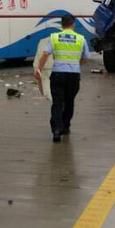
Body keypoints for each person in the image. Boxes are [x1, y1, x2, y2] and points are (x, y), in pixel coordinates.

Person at [36, 14, 89, 142]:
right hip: (73, 75)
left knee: (57, 102)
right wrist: (76, 64)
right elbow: (86, 58)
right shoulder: (81, 39)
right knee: (69, 101)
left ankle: (56, 130)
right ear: (73, 24)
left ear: (61, 24)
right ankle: (65, 127)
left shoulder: (54, 37)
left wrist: (39, 69)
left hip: (58, 74)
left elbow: (45, 54)